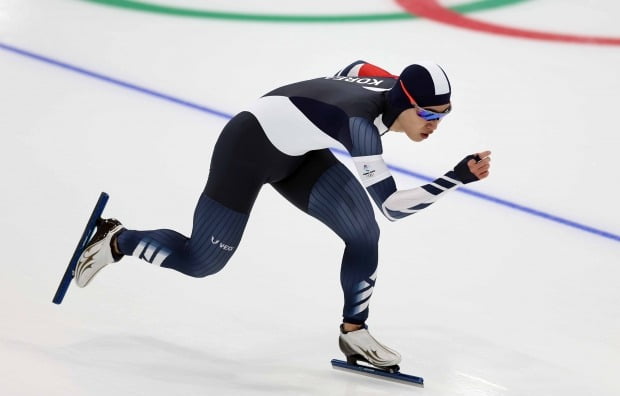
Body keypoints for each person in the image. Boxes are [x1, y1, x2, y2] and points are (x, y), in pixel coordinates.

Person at [74, 60, 491, 370]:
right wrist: (454, 178)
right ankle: (116, 239)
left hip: (300, 154)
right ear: (404, 101)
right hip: (248, 149)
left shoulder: (387, 88)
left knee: (363, 235)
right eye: (428, 114)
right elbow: (393, 208)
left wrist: (306, 118)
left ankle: (354, 333)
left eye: (444, 115)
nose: (435, 124)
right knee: (201, 261)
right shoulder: (360, 127)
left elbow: (354, 67)